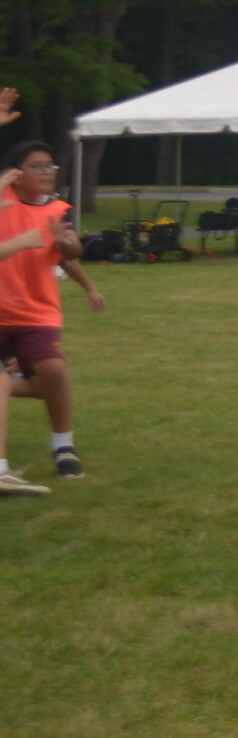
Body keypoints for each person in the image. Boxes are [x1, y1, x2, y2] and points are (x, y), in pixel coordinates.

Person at [0, 140, 107, 492]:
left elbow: (71, 253)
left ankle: (63, 446)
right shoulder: (4, 198)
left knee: (54, 372)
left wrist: (67, 243)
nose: (47, 172)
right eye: (38, 166)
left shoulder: (59, 209)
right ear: (17, 174)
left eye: (50, 166)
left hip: (38, 312)